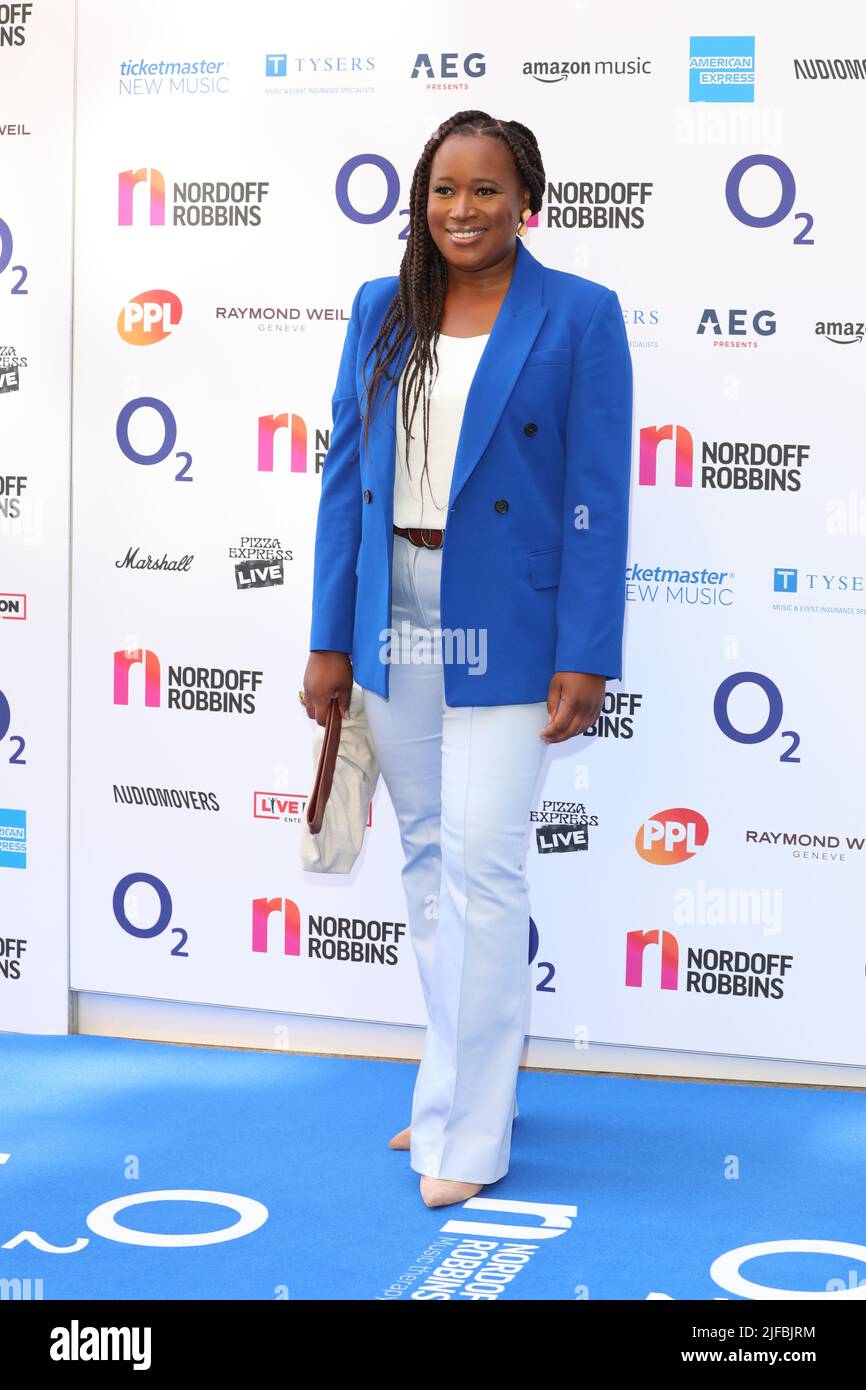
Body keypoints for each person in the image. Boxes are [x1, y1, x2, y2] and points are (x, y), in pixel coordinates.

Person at [303, 110, 633, 1208]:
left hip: (511, 618)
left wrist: (585, 652)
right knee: (427, 861)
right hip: (390, 602)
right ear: (420, 198)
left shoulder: (578, 315)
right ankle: (450, 1084)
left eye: (486, 189)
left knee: (482, 870)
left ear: (524, 198)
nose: (461, 208)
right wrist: (326, 638)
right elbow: (342, 479)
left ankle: (470, 1136)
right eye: (444, 188)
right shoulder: (379, 308)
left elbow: (595, 494)